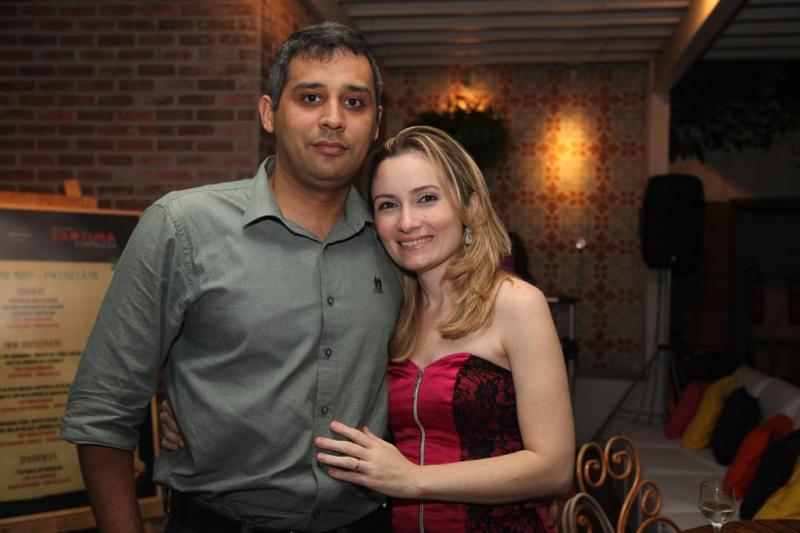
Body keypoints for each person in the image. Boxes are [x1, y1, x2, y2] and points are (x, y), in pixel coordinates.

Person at [60, 22, 402, 533]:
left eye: (355, 103)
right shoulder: (182, 227)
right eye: (310, 97)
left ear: (375, 125)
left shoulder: (398, 246)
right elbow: (102, 409)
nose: (333, 119)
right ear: (269, 112)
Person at [162, 126, 575, 532]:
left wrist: (413, 479)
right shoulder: (392, 306)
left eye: (427, 198)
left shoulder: (516, 304)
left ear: (471, 206)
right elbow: (315, 381)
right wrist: (200, 411)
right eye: (388, 205)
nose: (407, 222)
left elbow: (555, 469)